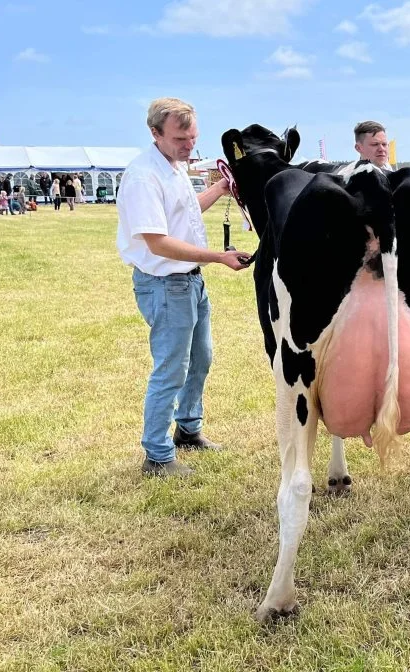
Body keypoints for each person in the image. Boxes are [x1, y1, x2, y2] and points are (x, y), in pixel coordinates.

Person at [117, 97, 252, 477]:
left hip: (188, 280)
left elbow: (184, 209)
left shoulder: (171, 166)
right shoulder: (144, 175)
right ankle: (157, 455)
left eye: (193, 137)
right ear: (155, 133)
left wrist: (221, 189)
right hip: (165, 283)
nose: (189, 145)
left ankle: (188, 430)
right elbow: (157, 241)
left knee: (201, 359)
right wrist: (218, 256)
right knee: (171, 369)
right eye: (180, 138)